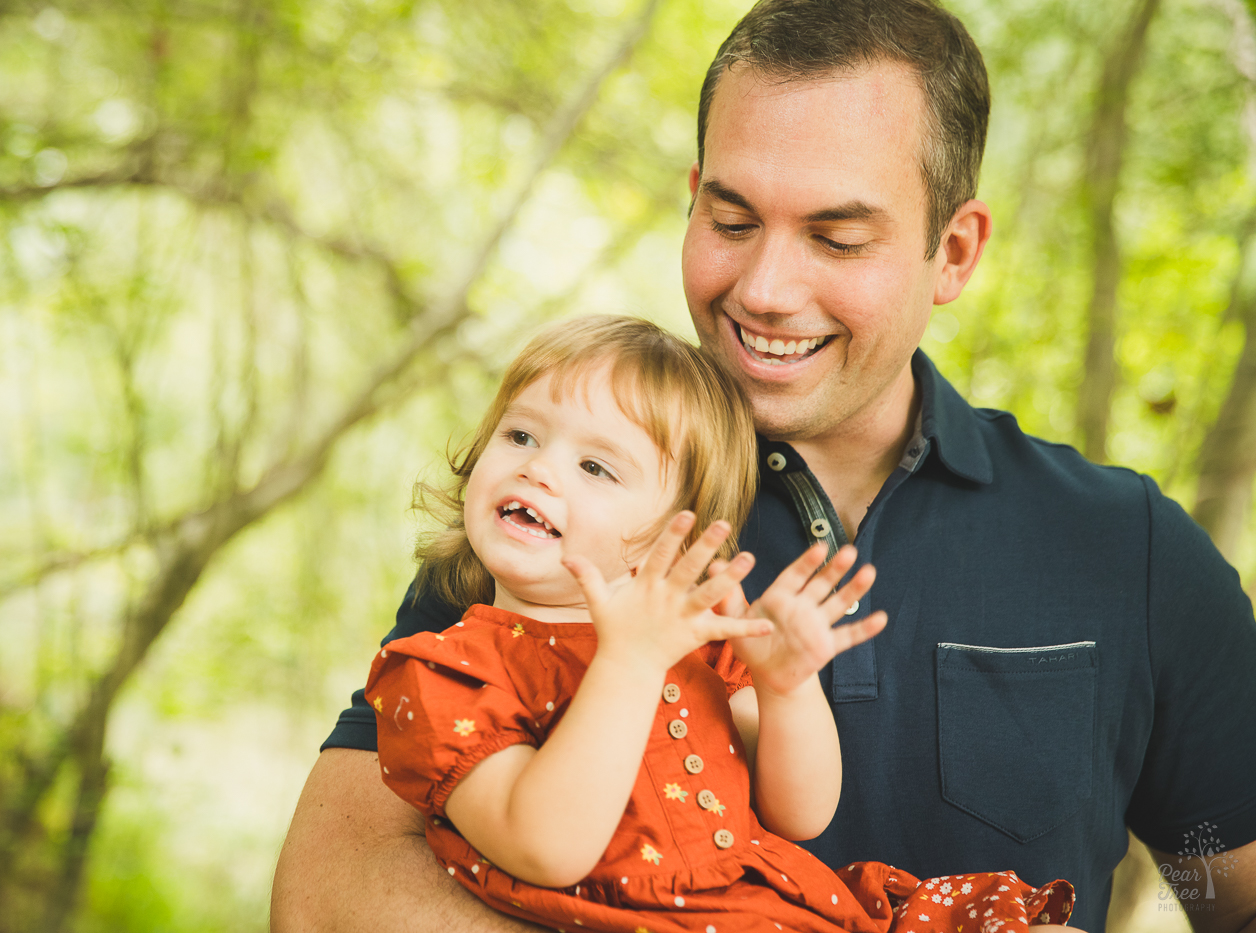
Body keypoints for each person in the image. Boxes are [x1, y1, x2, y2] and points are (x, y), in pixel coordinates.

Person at [271, 2, 1256, 932]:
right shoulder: (557, 521)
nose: (764, 289)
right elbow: (327, 897)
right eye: (732, 222)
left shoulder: (1125, 550)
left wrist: (1199, 870)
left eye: (835, 237)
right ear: (692, 202)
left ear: (951, 252)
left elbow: (1218, 878)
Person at [363, 314, 1076, 933]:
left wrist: (785, 686)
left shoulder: (698, 650)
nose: (540, 470)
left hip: (782, 907)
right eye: (520, 435)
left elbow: (803, 812)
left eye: (594, 466)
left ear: (674, 535)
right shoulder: (443, 672)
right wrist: (629, 663)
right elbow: (545, 845)